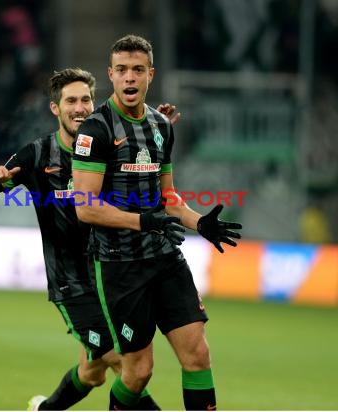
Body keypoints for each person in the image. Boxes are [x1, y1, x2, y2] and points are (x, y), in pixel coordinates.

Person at [0, 68, 180, 410]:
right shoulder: (37, 156)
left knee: (93, 372)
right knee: (124, 362)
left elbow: (144, 170)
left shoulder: (111, 147)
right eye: (71, 101)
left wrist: (153, 131)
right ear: (56, 108)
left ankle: (45, 409)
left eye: (85, 99)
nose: (80, 107)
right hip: (72, 282)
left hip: (111, 272)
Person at [72, 35, 242, 410]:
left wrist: (201, 223)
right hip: (120, 266)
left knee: (197, 354)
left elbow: (168, 196)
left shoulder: (161, 126)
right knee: (138, 372)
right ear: (110, 76)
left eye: (137, 70)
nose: (129, 78)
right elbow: (85, 208)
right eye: (121, 71)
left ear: (150, 74)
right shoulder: (95, 130)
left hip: (165, 257)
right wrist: (144, 221)